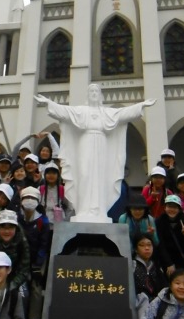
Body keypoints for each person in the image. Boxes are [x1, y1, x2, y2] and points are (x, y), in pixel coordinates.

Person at [35, 84, 155, 222]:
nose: (93, 93)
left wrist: (142, 105)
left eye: (96, 91)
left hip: (101, 144)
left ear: (100, 95)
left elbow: (123, 113)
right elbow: (64, 111)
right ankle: (83, 209)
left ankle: (99, 210)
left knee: (99, 176)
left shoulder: (106, 113)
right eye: (91, 91)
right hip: (85, 143)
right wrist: (49, 103)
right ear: (88, 94)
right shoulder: (81, 111)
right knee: (84, 174)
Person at [18, 186, 50, 319]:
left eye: (32, 198)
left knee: (36, 289)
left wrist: (38, 263)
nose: (29, 201)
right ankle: (19, 317)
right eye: (26, 198)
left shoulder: (42, 221)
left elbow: (45, 243)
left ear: (38, 201)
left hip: (38, 259)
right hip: (19, 259)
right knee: (20, 288)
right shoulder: (16, 218)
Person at [156, 194, 184, 276]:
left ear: (179, 209)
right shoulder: (159, 221)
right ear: (165, 207)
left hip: (182, 260)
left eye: (175, 207)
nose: (172, 209)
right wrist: (169, 263)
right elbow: (160, 244)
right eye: (169, 206)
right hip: (166, 260)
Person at [132, 233, 167, 303]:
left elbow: (165, 288)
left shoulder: (156, 266)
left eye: (149, 245)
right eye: (142, 245)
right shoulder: (132, 265)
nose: (147, 248)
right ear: (136, 249)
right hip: (139, 304)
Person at [39, 162, 75, 226]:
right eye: (48, 173)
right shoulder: (40, 189)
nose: (51, 175)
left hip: (59, 222)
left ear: (58, 176)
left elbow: (70, 207)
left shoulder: (62, 189)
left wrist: (65, 221)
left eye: (54, 173)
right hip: (44, 222)